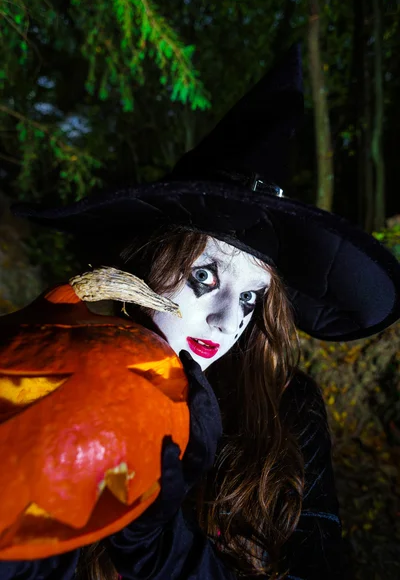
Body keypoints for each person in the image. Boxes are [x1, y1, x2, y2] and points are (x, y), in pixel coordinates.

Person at [2, 46, 400, 579]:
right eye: (205, 277)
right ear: (149, 263)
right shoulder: (51, 366)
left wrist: (164, 551)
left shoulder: (287, 411)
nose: (223, 322)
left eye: (251, 297)